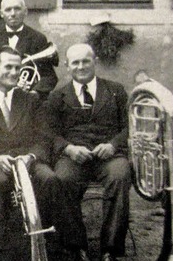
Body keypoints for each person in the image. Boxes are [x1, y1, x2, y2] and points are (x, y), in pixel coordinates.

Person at [0, 46, 63, 260]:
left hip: (28, 160)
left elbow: (43, 137)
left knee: (50, 179)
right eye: (8, 66)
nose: (14, 72)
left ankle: (49, 245)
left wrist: (31, 157)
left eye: (17, 67)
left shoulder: (31, 100)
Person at [44, 43, 131, 261]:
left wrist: (113, 144)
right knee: (62, 179)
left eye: (86, 61)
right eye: (75, 62)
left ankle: (110, 249)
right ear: (67, 66)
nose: (81, 66)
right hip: (74, 157)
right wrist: (69, 148)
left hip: (110, 156)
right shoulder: (57, 96)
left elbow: (130, 127)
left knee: (120, 175)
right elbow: (49, 133)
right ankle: (76, 247)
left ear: (95, 61)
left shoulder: (116, 90)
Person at [0, 0, 58, 100]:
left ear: (25, 11)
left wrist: (35, 92)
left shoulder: (38, 38)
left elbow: (48, 76)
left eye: (17, 9)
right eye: (8, 10)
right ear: (1, 13)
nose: (13, 14)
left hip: (26, 100)